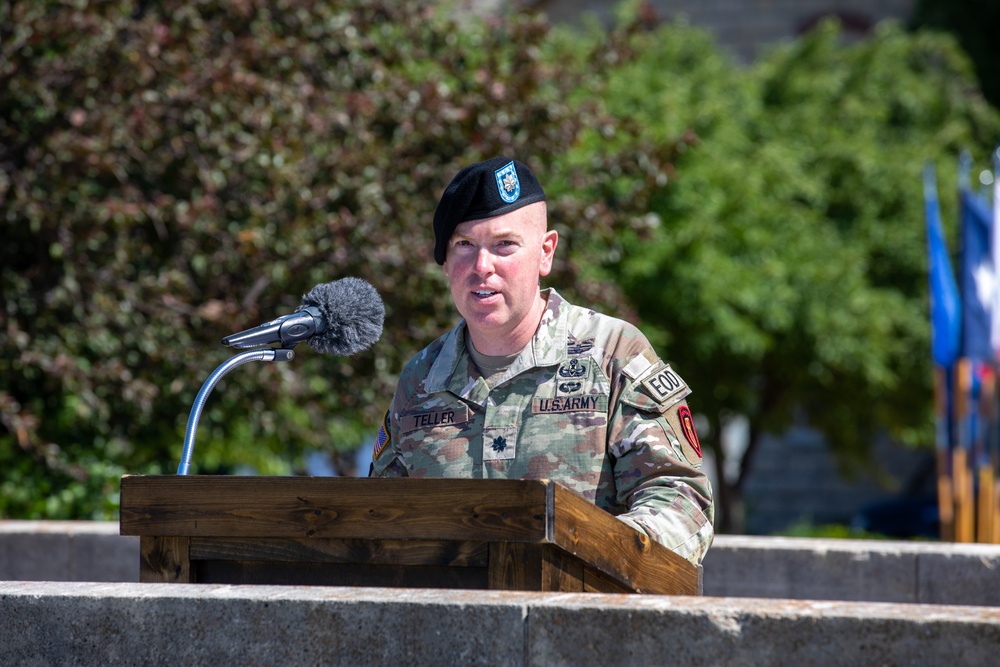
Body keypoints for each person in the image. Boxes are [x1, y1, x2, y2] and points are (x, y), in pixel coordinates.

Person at [369, 156, 714, 564]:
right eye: (464, 245)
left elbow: (682, 500)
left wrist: (594, 555)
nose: (482, 267)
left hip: (582, 613)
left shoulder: (611, 354)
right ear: (445, 263)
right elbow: (380, 515)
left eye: (504, 245)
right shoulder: (421, 379)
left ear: (545, 252)